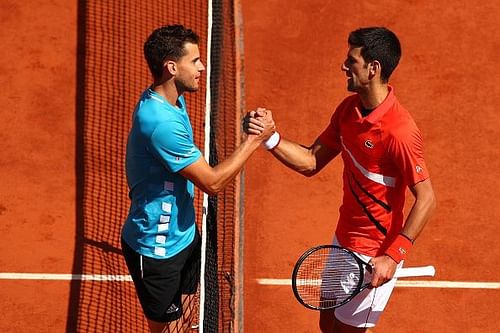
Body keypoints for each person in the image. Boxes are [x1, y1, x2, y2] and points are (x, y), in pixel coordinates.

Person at [245, 27, 436, 332]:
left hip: (373, 252)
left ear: (373, 68)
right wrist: (270, 138)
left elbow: (427, 198)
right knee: (327, 324)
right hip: (342, 242)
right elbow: (311, 161)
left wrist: (392, 256)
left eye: (352, 60)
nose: (343, 66)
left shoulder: (399, 130)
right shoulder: (348, 111)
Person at [121, 24, 274, 333]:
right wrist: (254, 140)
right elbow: (213, 182)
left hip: (185, 234)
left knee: (188, 315)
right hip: (156, 248)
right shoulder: (160, 122)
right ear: (171, 67)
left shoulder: (172, 100)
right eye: (195, 61)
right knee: (167, 330)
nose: (202, 67)